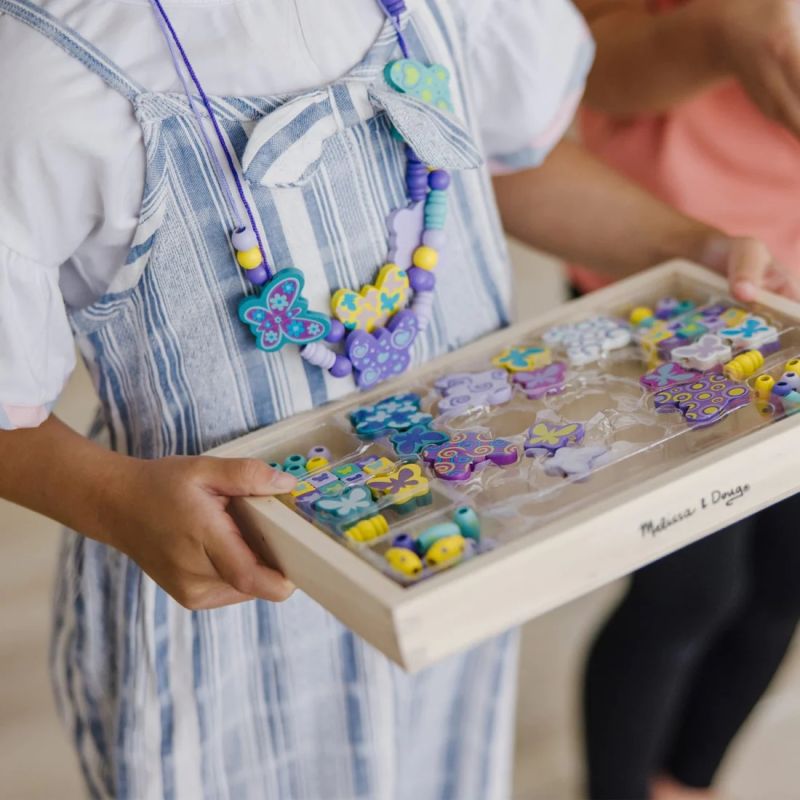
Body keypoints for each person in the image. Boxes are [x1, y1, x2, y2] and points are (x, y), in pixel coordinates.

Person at [0, 0, 795, 798]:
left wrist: (686, 244)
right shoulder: (45, 73)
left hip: (448, 561)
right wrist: (114, 499)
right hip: (219, 606)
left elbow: (507, 163)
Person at [573, 1, 800, 798]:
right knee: (688, 592)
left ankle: (689, 782)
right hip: (668, 281)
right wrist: (721, 35)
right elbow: (583, 70)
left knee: (786, 580)